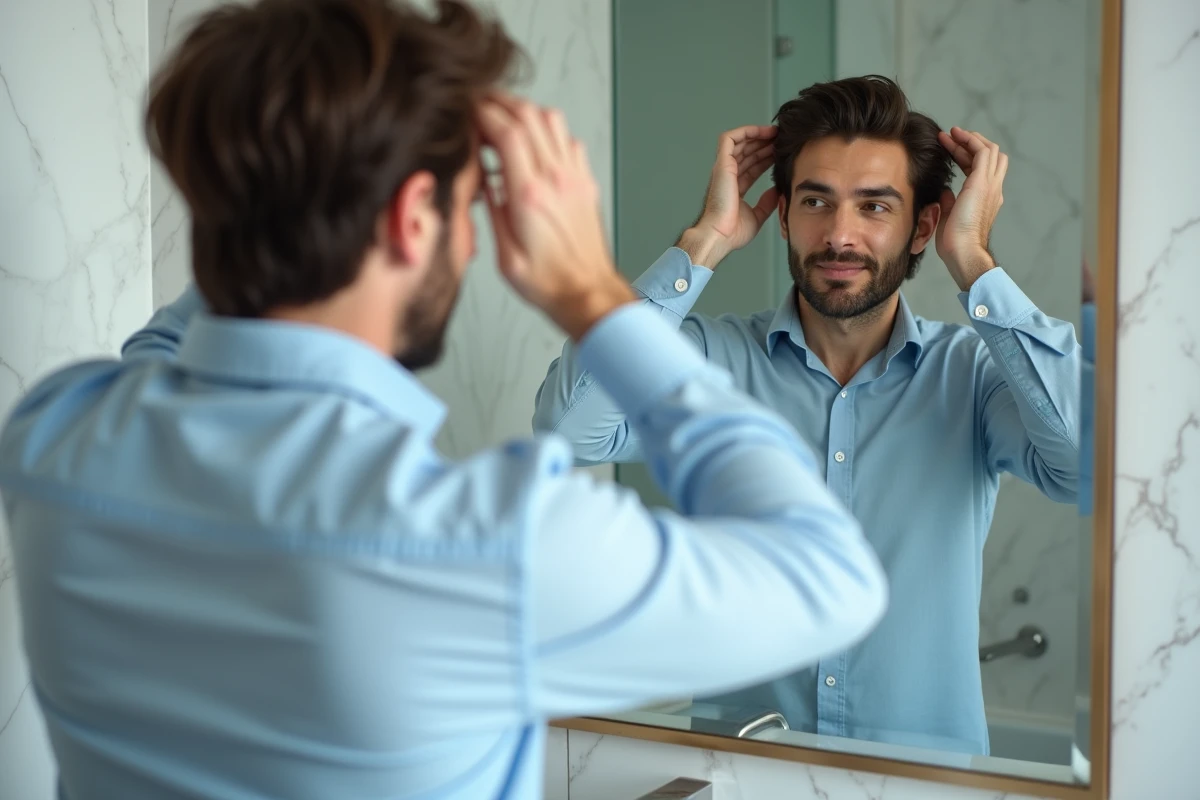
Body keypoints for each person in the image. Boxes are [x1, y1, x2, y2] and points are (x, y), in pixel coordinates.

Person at [0, 2, 888, 798]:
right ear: (411, 220)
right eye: (466, 212)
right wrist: (589, 291)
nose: (468, 250)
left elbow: (167, 349)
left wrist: (279, 188)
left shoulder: (59, 434)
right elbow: (830, 580)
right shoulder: (481, 543)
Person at [533, 75, 1081, 755]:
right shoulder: (709, 361)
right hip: (743, 774)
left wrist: (973, 259)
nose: (839, 235)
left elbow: (1086, 466)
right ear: (785, 217)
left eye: (875, 206)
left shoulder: (972, 376)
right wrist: (703, 242)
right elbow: (569, 431)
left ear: (923, 226)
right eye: (816, 202)